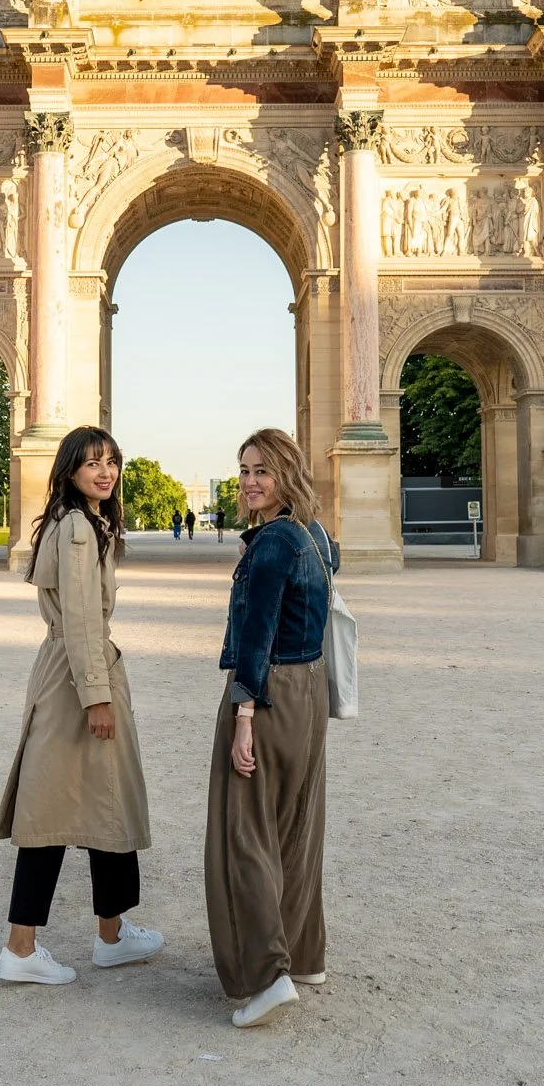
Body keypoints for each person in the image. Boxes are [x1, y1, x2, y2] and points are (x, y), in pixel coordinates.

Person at [0, 426, 162, 986]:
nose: (106, 472)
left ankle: (111, 933)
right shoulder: (80, 530)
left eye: (112, 461)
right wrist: (97, 697)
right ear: (69, 470)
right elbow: (85, 618)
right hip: (80, 676)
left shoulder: (76, 522)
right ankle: (22, 947)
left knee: (99, 802)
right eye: (92, 463)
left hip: (66, 667)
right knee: (56, 812)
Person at [205, 427, 338, 1029]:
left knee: (246, 833)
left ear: (287, 474)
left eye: (262, 470)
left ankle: (266, 976)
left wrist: (243, 717)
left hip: (269, 692)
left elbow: (256, 636)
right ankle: (305, 955)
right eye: (244, 470)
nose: (250, 481)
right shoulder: (315, 535)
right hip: (309, 689)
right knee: (297, 824)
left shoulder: (272, 543)